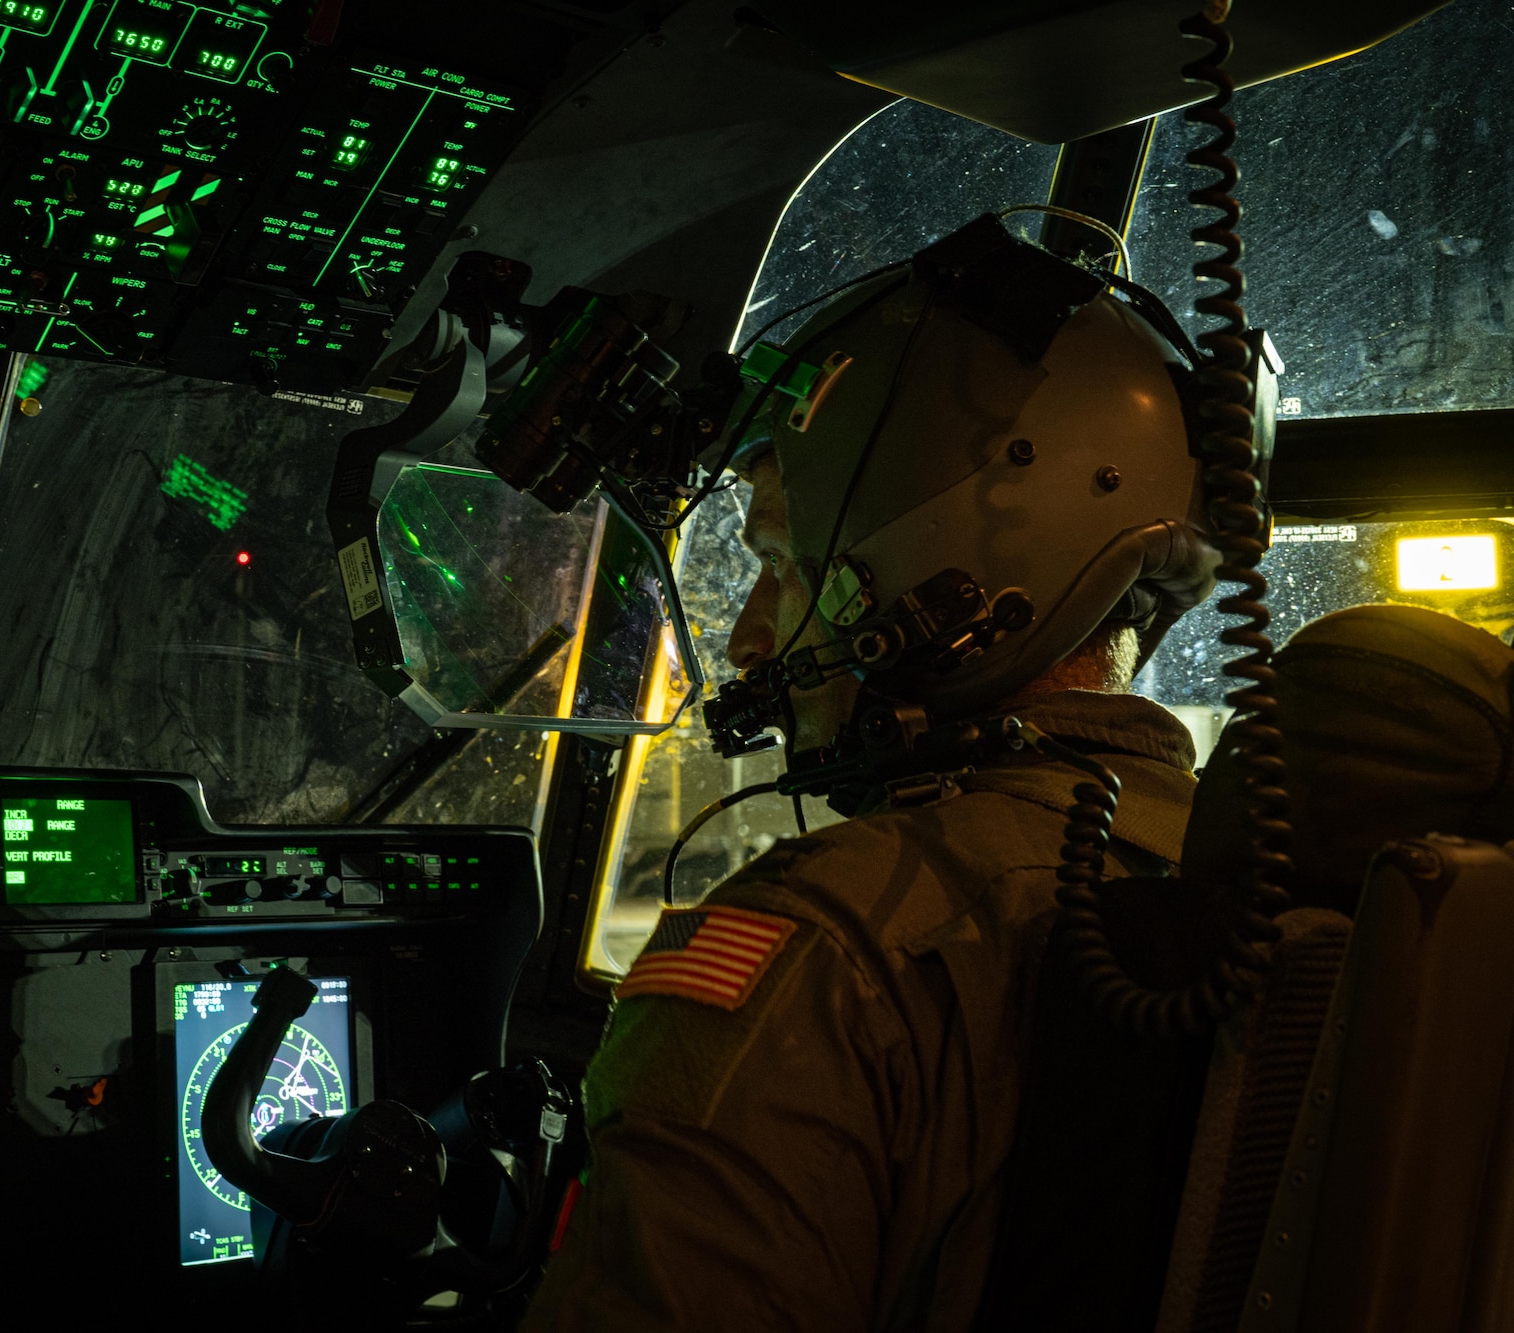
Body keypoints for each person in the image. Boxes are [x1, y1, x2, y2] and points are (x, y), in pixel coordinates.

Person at [522, 215, 1242, 1330]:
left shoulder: (822, 952)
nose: (751, 637)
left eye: (780, 567)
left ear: (933, 582)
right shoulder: (1237, 871)